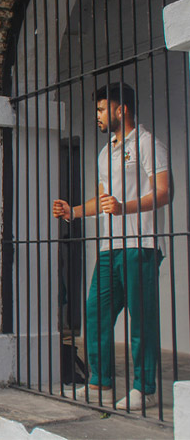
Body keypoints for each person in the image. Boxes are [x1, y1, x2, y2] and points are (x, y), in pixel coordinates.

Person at [52, 83, 170, 411]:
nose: (98, 116)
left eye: (103, 109)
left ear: (122, 110)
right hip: (109, 248)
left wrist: (124, 208)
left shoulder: (148, 144)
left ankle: (145, 389)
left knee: (141, 319)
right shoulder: (106, 153)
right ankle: (100, 383)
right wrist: (73, 211)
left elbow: (164, 192)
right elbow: (105, 200)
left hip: (140, 245)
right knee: (95, 311)